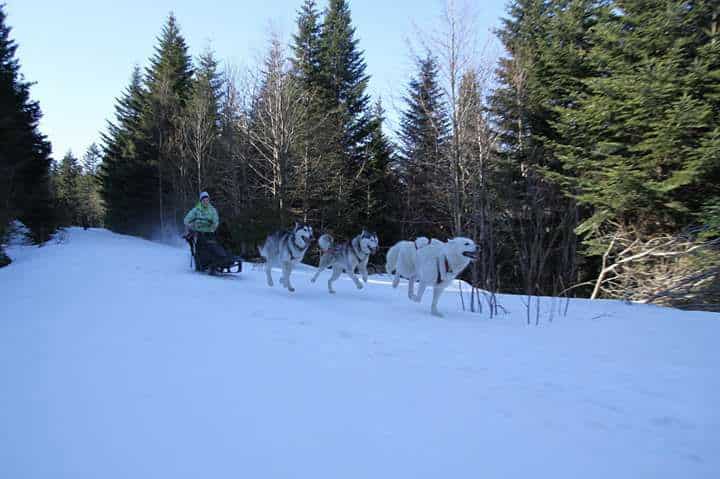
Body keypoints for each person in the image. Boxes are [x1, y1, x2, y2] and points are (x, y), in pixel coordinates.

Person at [184, 191, 228, 272]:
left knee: (213, 245)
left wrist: (214, 226)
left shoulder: (212, 210)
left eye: (207, 199)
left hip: (210, 232)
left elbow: (216, 220)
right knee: (200, 247)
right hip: (199, 233)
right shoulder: (196, 210)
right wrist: (191, 227)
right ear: (201, 201)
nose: (206, 201)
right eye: (204, 200)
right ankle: (200, 264)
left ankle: (216, 260)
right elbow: (186, 220)